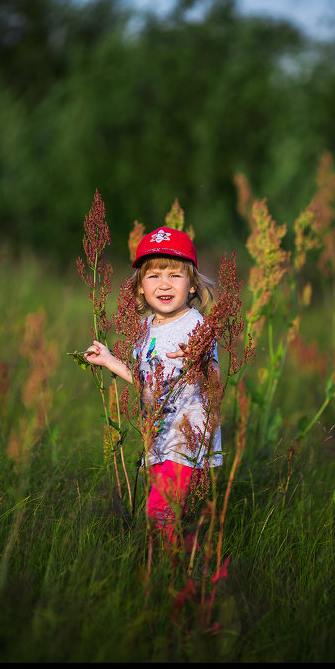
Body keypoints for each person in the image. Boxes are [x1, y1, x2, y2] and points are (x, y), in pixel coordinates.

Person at [84, 226, 223, 552]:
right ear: (140, 288)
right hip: (158, 437)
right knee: (171, 517)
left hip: (188, 441)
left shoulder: (195, 325)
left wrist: (200, 362)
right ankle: (198, 576)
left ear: (192, 286)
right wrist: (110, 361)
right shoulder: (145, 328)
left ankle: (172, 582)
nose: (164, 283)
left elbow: (216, 385)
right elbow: (145, 378)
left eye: (175, 275)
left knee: (159, 514)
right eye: (154, 276)